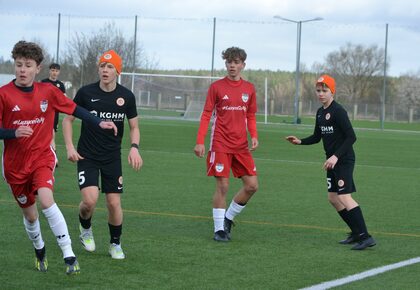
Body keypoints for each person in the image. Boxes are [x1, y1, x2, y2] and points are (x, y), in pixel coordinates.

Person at [0, 41, 118, 274]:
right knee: (31, 216)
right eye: (19, 65)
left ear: (38, 68)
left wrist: (98, 121)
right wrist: (12, 133)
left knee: (46, 199)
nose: (22, 69)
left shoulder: (48, 92)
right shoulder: (4, 94)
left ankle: (69, 255)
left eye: (28, 65)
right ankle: (40, 249)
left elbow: (75, 109)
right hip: (15, 166)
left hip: (42, 157)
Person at [62, 49, 143, 259]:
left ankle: (115, 244)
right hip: (87, 155)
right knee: (89, 201)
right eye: (102, 66)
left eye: (110, 67)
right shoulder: (86, 93)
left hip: (111, 157)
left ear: (117, 71)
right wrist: (70, 147)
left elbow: (134, 126)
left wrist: (134, 148)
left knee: (114, 203)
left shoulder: (126, 96)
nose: (105, 70)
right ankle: (85, 228)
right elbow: (67, 120)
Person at [285, 74, 376, 250]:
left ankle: (365, 236)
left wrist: (335, 156)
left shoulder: (338, 111)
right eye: (318, 90)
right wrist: (300, 141)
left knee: (344, 196)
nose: (321, 93)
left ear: (332, 91)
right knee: (333, 198)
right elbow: (317, 136)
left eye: (324, 90)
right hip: (332, 161)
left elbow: (351, 136)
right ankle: (356, 233)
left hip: (343, 159)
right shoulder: (320, 113)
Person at [194, 47, 259, 242]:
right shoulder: (216, 87)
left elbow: (251, 115)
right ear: (226, 64)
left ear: (243, 65)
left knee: (252, 186)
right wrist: (200, 141)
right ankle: (219, 230)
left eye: (236, 62)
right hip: (220, 143)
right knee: (223, 186)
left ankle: (228, 218)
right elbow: (206, 115)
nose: (232, 65)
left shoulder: (249, 88)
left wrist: (254, 135)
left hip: (241, 146)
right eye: (229, 62)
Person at [41, 63, 66, 166]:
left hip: (54, 112)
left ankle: (53, 158)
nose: (54, 72)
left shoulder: (61, 85)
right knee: (44, 135)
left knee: (52, 135)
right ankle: (51, 158)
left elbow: (63, 98)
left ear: (59, 72)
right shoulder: (43, 82)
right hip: (42, 111)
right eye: (52, 70)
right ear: (49, 71)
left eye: (56, 71)